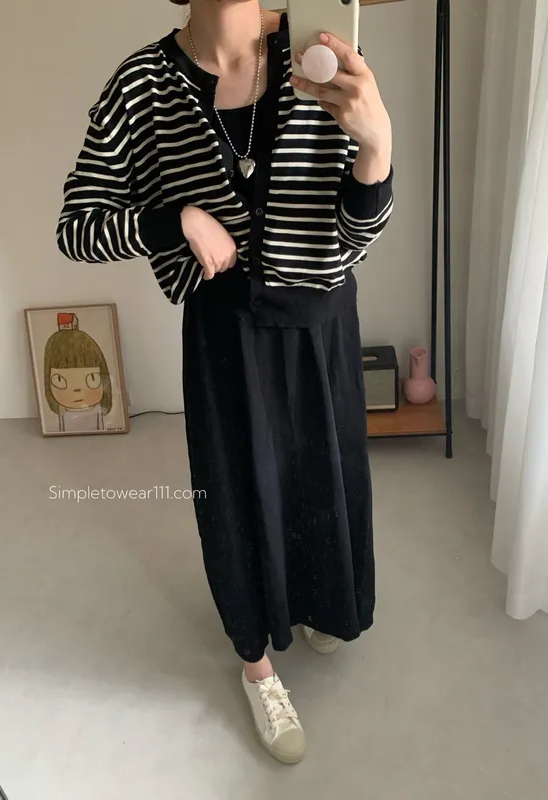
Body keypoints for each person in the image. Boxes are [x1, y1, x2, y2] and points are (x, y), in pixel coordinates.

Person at [57, 0, 393, 765]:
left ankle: (318, 601)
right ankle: (256, 664)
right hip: (224, 333)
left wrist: (377, 149)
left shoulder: (321, 55)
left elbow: (358, 235)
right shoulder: (141, 85)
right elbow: (77, 226)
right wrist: (175, 217)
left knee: (324, 478)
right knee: (236, 497)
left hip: (320, 322)